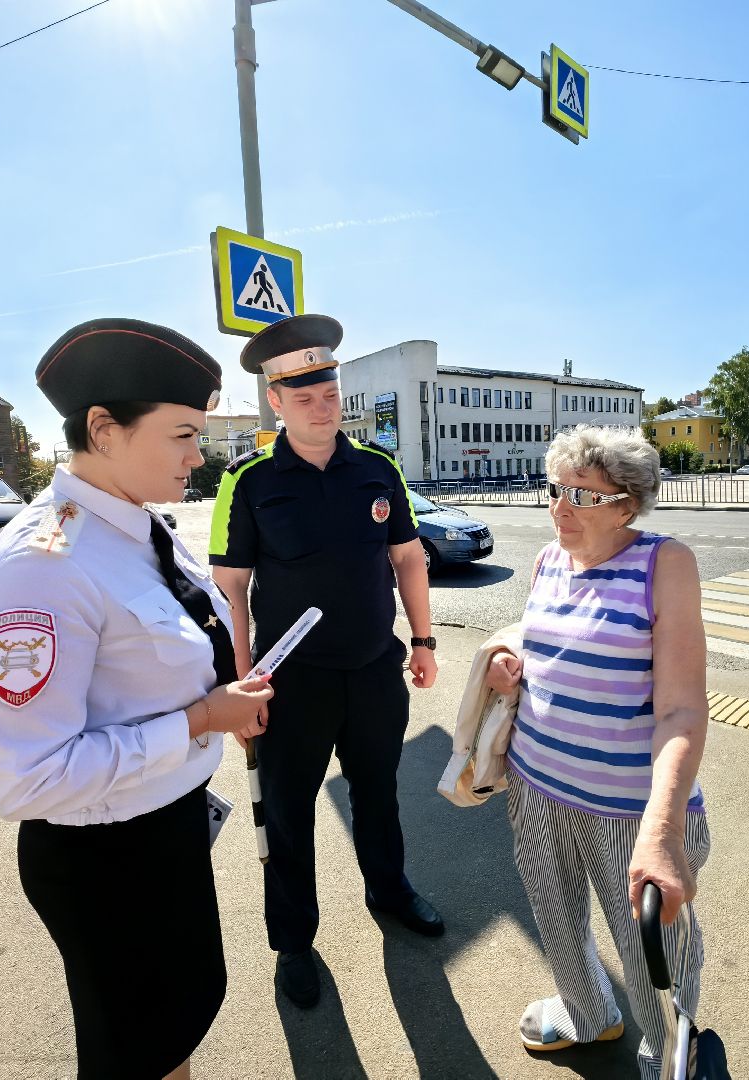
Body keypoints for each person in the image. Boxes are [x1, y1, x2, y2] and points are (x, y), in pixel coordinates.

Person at [0, 318, 274, 1080]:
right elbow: (26, 778)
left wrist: (220, 701)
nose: (198, 456)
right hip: (105, 860)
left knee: (172, 1027)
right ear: (103, 429)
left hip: (161, 831)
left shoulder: (140, 526)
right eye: (181, 435)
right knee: (135, 1047)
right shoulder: (43, 566)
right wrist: (202, 720)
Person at [209, 313, 442, 1010]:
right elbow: (231, 590)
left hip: (374, 670)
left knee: (378, 793)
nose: (321, 406)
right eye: (303, 396)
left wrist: (424, 643)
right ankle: (294, 943)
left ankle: (390, 890)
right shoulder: (246, 481)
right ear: (275, 401)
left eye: (330, 393)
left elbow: (407, 558)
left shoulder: (377, 469)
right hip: (291, 685)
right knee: (286, 815)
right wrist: (243, 685)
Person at [484, 424, 711, 1080]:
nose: (560, 509)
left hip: (628, 810)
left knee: (652, 952)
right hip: (536, 786)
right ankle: (588, 1012)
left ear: (626, 505)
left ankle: (671, 1056)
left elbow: (682, 709)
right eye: (555, 490)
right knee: (554, 919)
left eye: (582, 496)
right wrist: (512, 661)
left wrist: (663, 830)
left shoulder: (665, 564)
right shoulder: (549, 559)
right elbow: (552, 644)